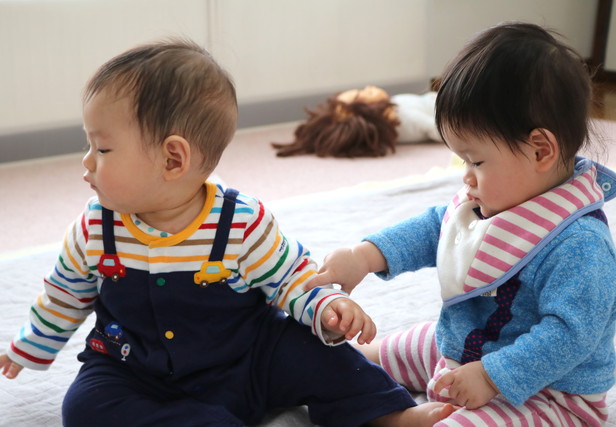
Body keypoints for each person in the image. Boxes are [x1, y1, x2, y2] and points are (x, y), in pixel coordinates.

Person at [0, 39, 456, 426]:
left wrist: (326, 308)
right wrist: (27, 346)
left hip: (248, 362)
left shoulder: (240, 221)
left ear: (173, 159)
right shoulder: (95, 228)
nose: (86, 161)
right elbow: (63, 294)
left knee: (315, 352)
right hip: (133, 367)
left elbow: (291, 279)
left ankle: (385, 413)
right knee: (84, 407)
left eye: (101, 148)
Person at [305, 22, 616, 426]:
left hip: (548, 392)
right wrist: (364, 256)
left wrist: (492, 376)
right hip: (470, 344)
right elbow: (438, 228)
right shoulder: (497, 198)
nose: (466, 177)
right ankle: (345, 374)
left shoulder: (580, 246)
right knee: (370, 356)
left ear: (540, 150)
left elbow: (569, 336)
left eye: (476, 161)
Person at [271, 86, 442, 158]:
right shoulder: (407, 119)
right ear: (372, 113)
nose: (368, 87)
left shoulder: (393, 112)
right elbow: (439, 130)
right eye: (364, 94)